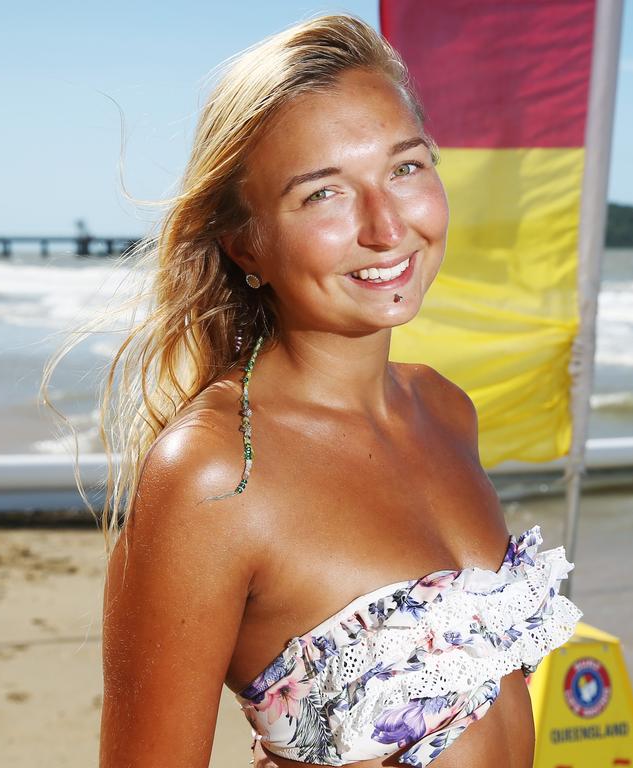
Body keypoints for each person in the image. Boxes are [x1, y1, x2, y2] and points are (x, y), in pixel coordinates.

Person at [64, 14, 582, 768]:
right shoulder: (214, 475)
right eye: (323, 195)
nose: (386, 226)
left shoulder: (443, 408)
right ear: (245, 241)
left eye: (405, 168)